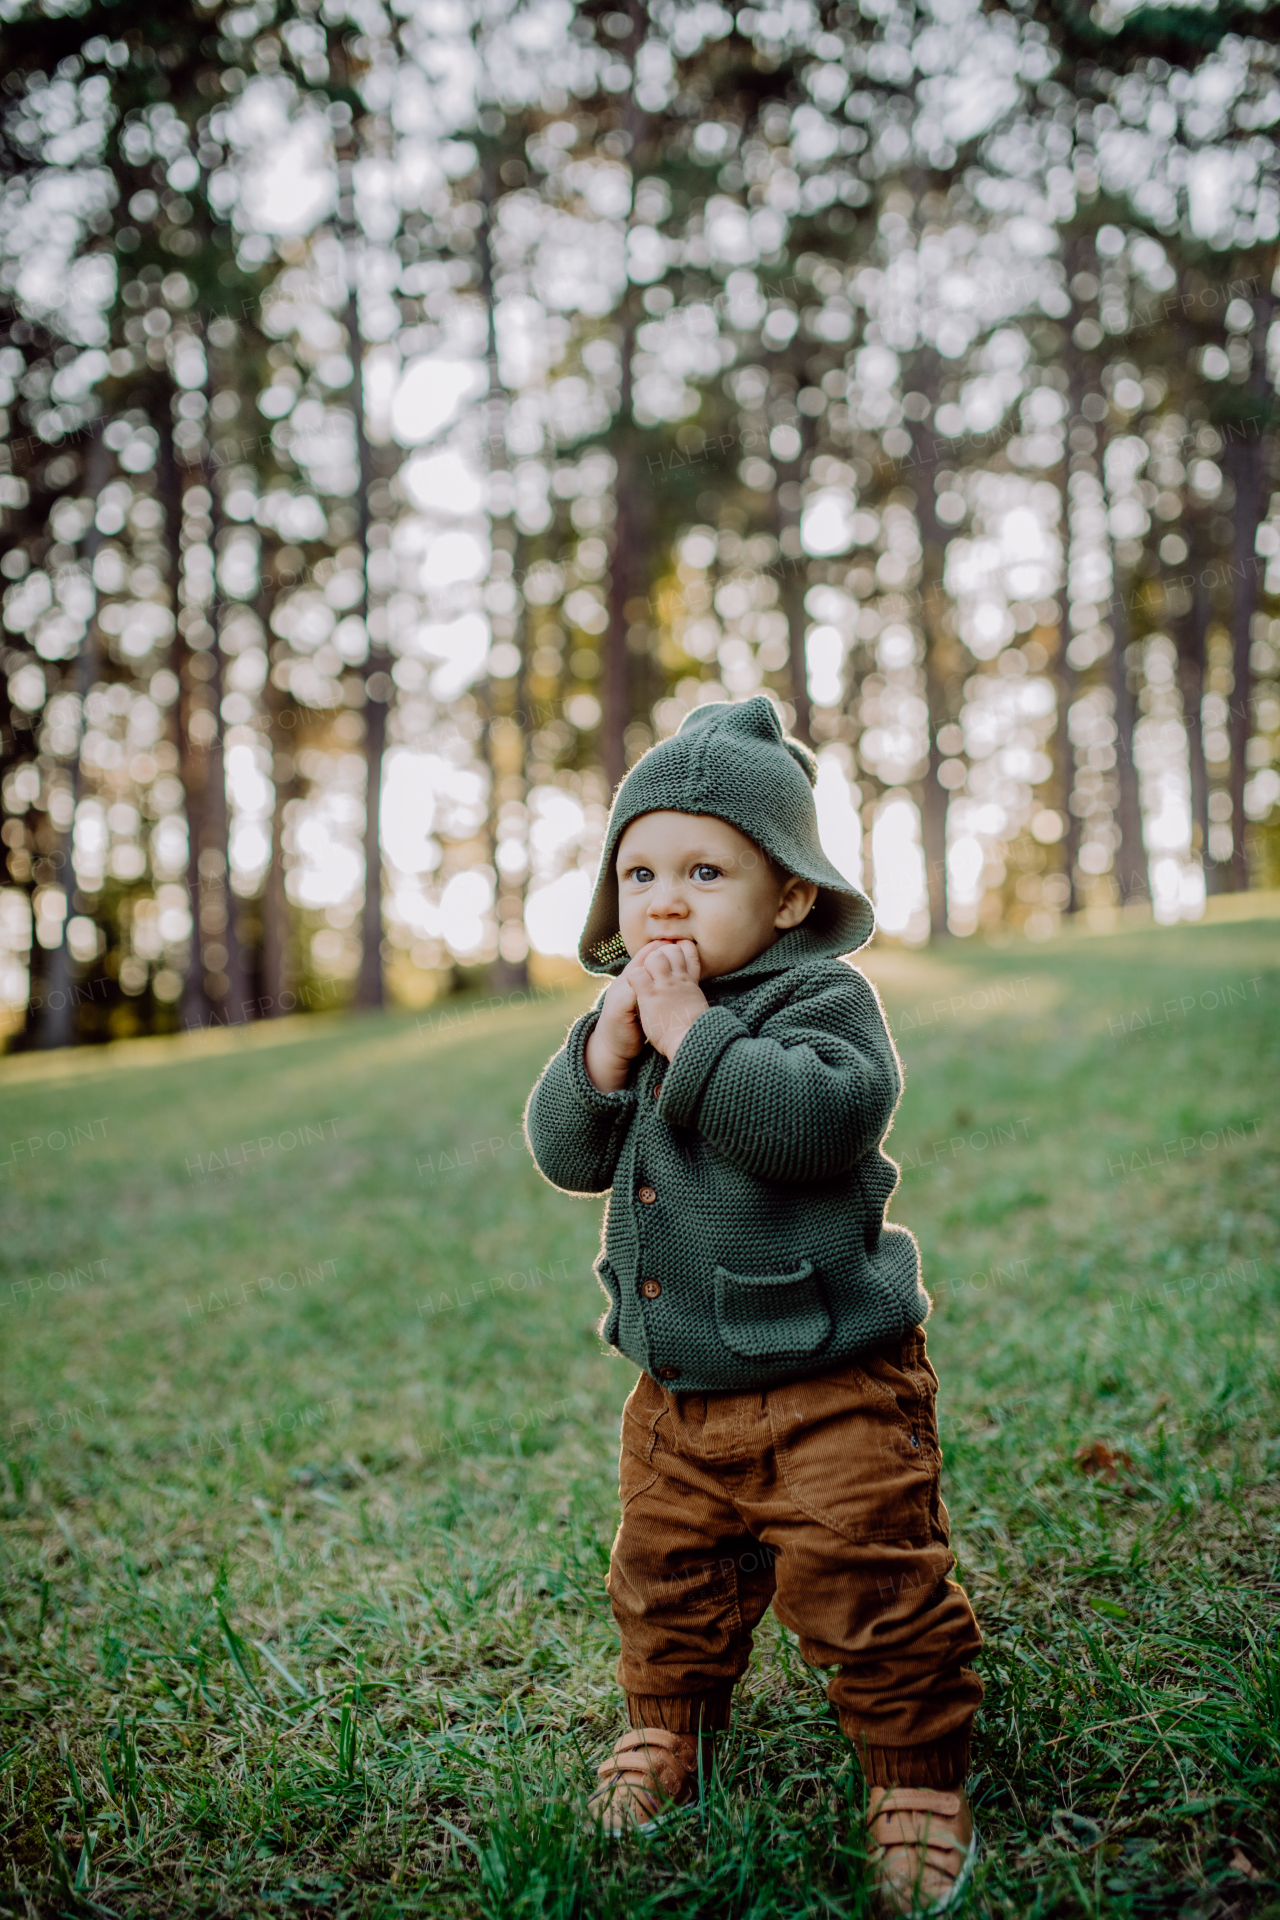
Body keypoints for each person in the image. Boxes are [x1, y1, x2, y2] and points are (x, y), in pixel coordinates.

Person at [524, 696, 982, 1914]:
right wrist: (603, 1058)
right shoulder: (630, 1015)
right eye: (638, 872)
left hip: (829, 1382)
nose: (662, 900)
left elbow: (810, 1123)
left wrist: (692, 1033)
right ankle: (668, 1727)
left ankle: (915, 1775)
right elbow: (567, 1152)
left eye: (703, 869)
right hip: (676, 1392)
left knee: (864, 1578)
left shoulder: (820, 1006)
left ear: (787, 897)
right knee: (665, 1575)